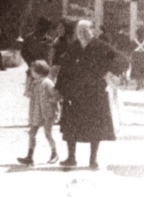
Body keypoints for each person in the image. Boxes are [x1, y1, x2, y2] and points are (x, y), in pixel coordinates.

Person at [55, 20, 130, 169]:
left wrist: (108, 73)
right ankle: (71, 158)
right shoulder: (74, 47)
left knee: (94, 128)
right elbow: (64, 69)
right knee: (71, 127)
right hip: (74, 93)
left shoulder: (101, 46)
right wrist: (60, 89)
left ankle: (93, 160)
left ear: (93, 31)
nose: (82, 33)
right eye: (79, 30)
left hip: (94, 93)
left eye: (85, 30)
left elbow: (122, 60)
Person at [17, 60, 59, 166]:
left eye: (32, 71)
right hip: (36, 112)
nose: (31, 73)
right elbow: (27, 94)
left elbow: (56, 95)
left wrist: (51, 102)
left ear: (38, 71)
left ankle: (54, 153)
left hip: (47, 112)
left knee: (48, 133)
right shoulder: (35, 83)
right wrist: (28, 84)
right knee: (32, 133)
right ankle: (29, 156)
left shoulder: (47, 82)